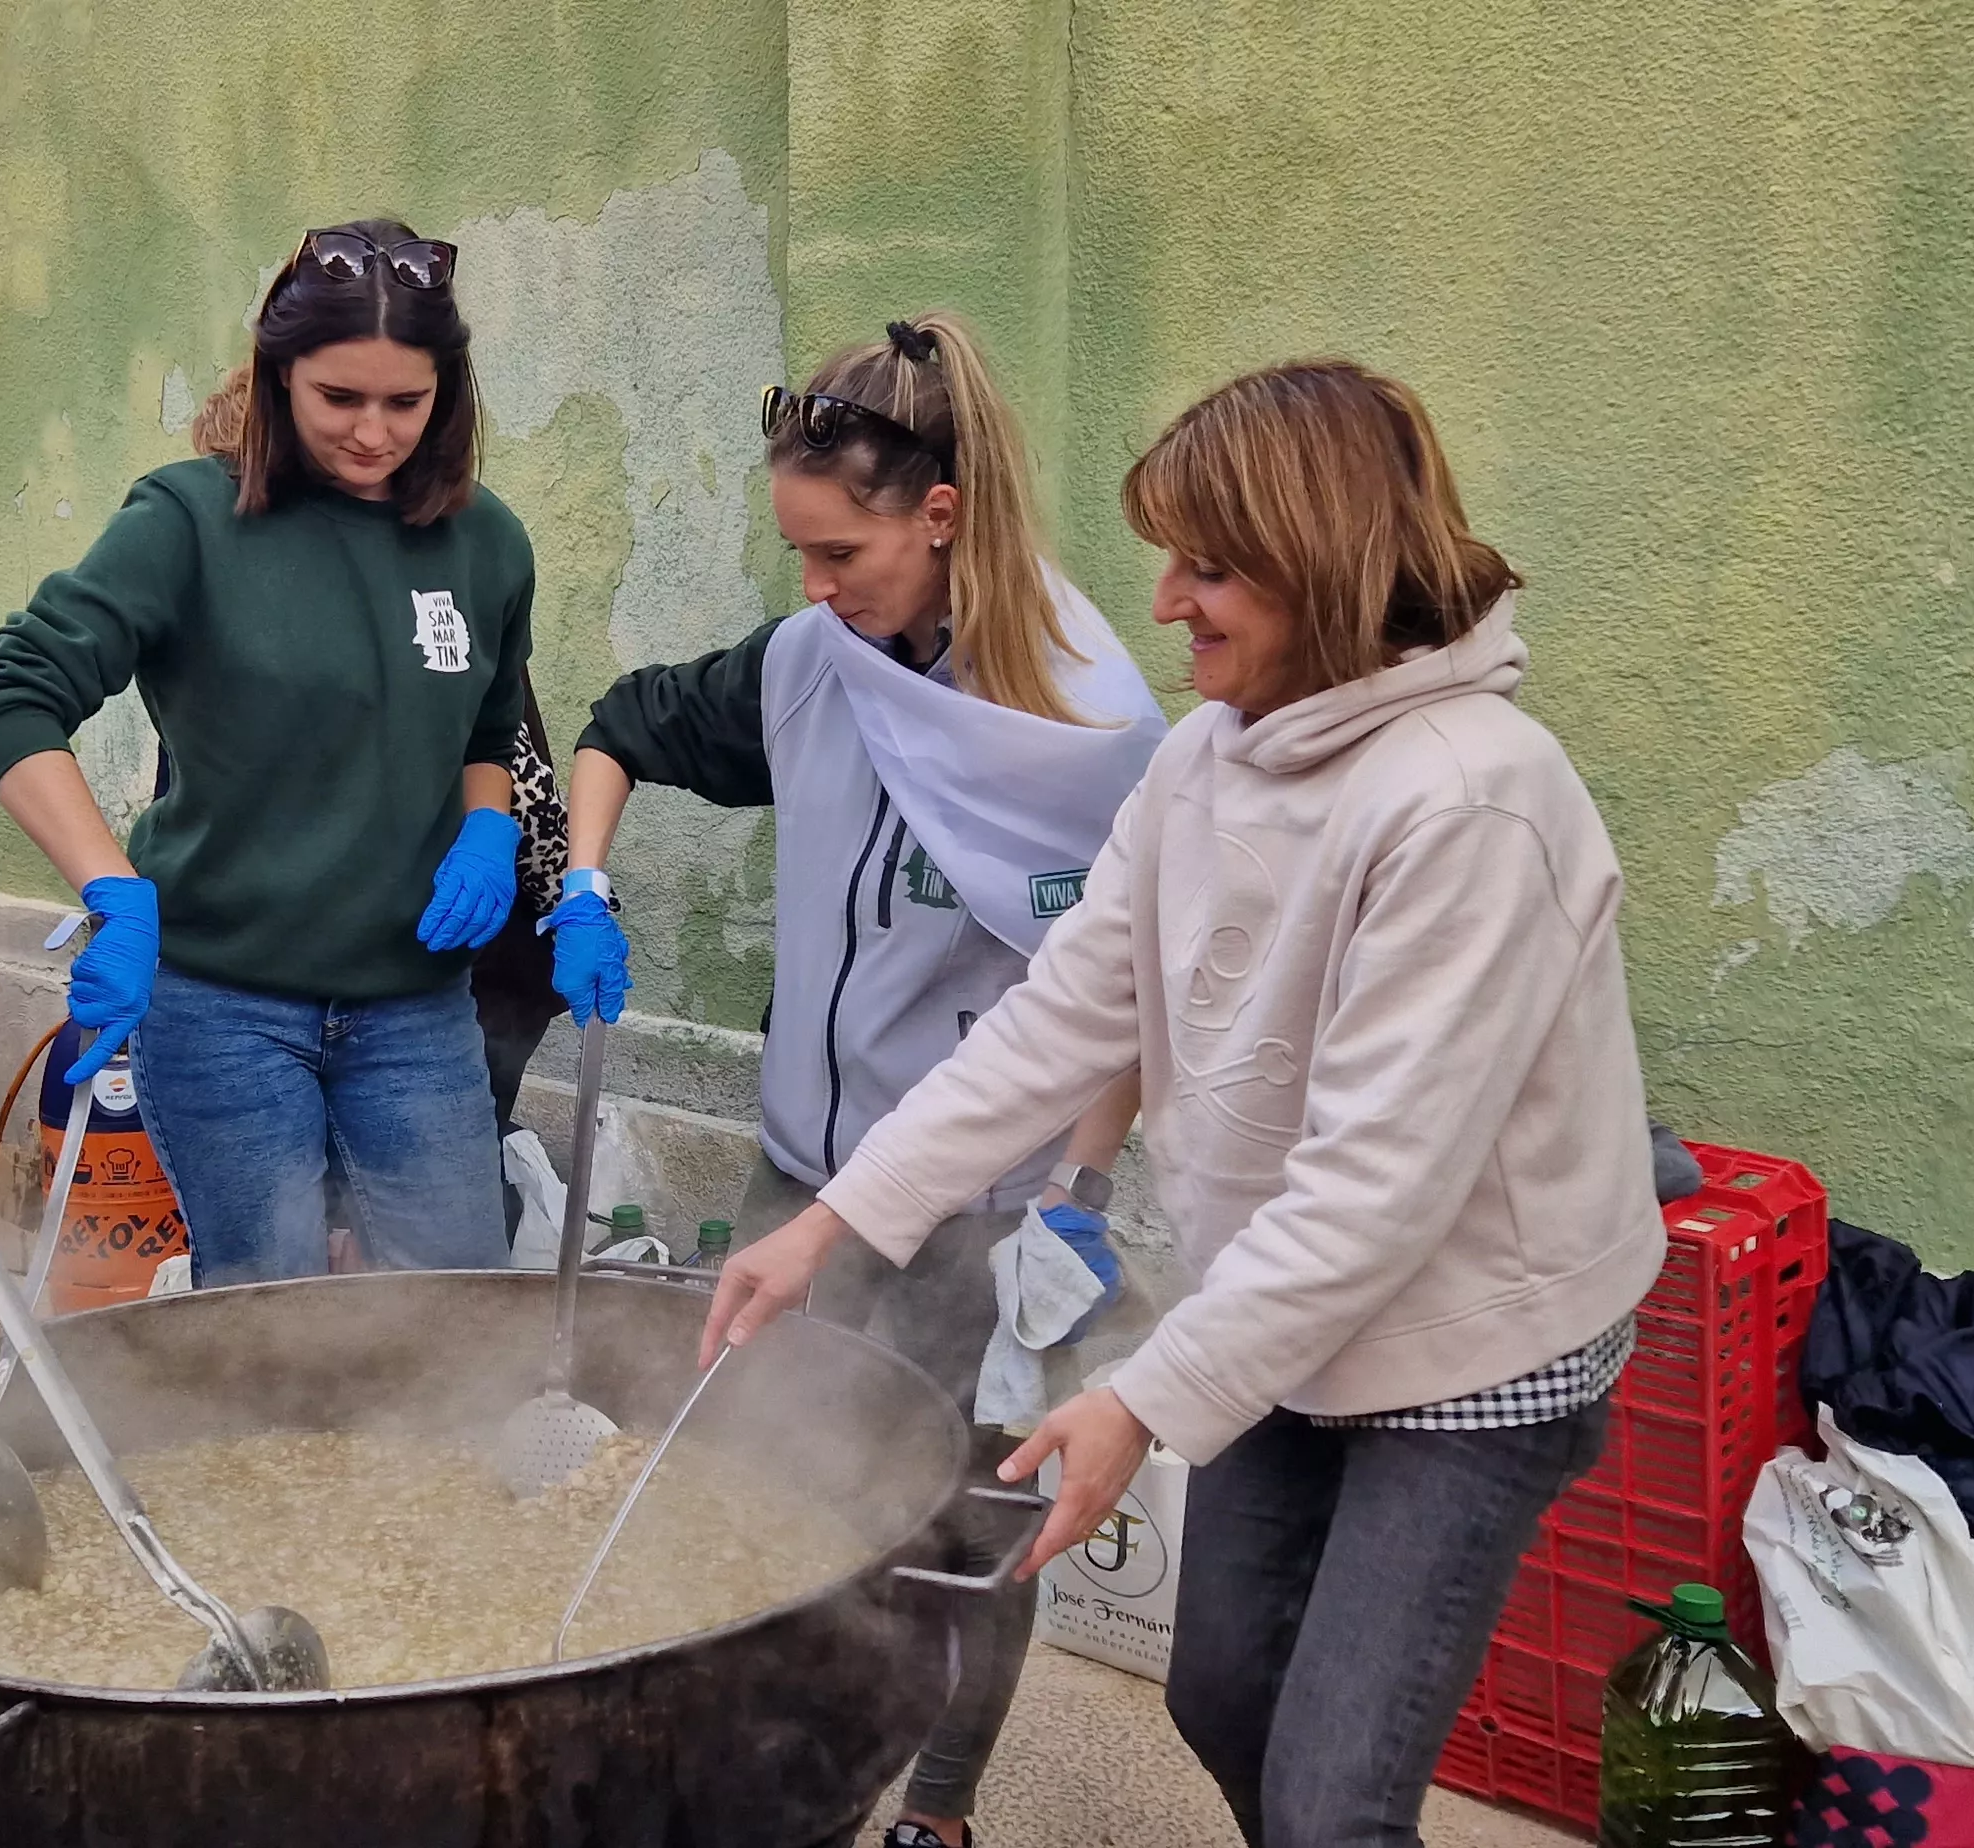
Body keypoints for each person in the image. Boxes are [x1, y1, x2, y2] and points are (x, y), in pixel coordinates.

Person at [706, 361, 1663, 1848]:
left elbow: (1376, 1193)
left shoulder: (1472, 799)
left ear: (1319, 561)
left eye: (1208, 568)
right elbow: (1063, 1017)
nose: (1164, 603)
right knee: (1221, 1695)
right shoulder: (1209, 758)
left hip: (1468, 1345)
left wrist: (1141, 1399)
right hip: (1284, 1314)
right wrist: (836, 1222)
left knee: (1336, 1797)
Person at [559, 312, 1162, 1848]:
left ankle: (938, 1814)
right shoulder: (811, 664)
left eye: (841, 556)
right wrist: (585, 880)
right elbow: (620, 725)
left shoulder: (1085, 729)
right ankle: (781, 1783)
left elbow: (1125, 993)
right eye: (799, 559)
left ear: (940, 514)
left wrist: (1079, 1204)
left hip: (982, 1211)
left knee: (964, 1522)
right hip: (801, 1177)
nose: (814, 595)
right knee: (768, 1486)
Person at [0, 219, 530, 1286]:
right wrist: (112, 891)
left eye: (406, 403)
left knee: (463, 1302)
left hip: (416, 1006)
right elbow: (7, 694)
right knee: (270, 1316)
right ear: (277, 376)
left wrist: (487, 825)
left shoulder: (484, 541)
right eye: (337, 399)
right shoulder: (190, 522)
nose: (373, 434)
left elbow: (489, 725)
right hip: (224, 1003)